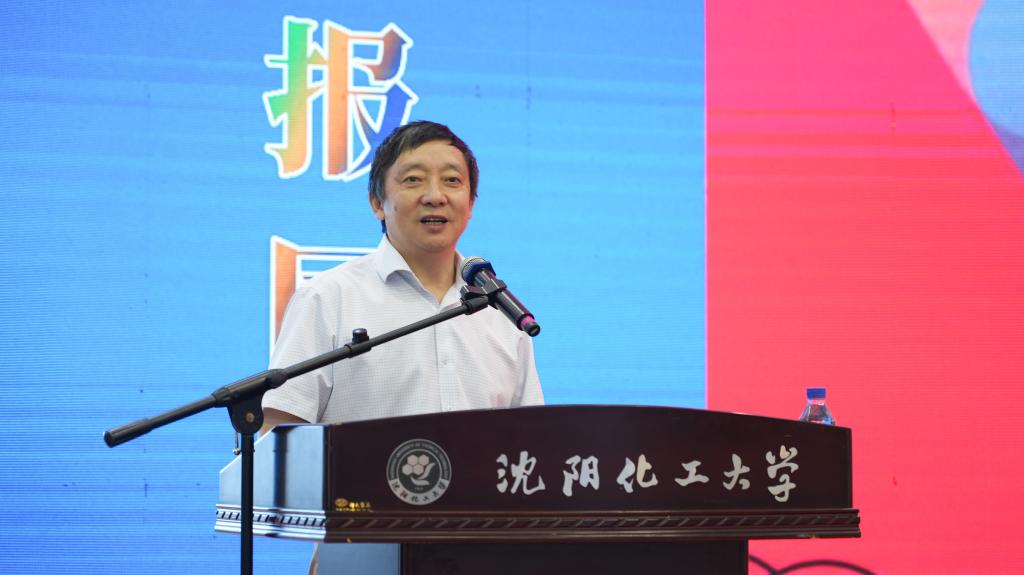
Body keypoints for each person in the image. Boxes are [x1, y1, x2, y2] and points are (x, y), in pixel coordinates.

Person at [259, 120, 544, 574]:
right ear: (378, 202)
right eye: (413, 180)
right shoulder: (329, 297)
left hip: (483, 554)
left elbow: (532, 448)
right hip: (362, 553)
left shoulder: (501, 311)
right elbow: (279, 434)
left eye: (452, 181)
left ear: (471, 203)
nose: (435, 195)